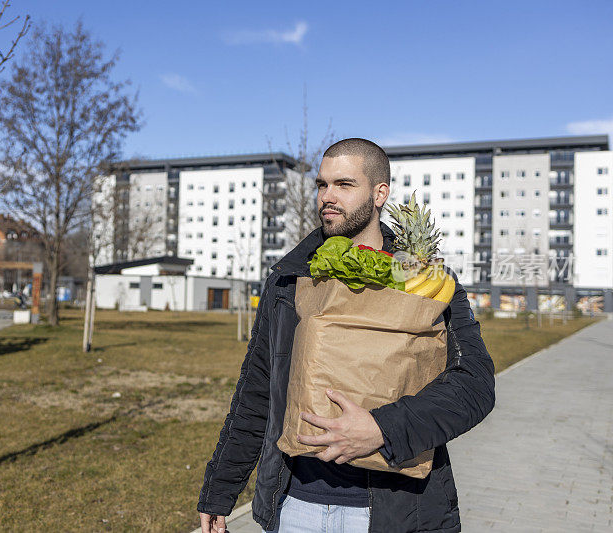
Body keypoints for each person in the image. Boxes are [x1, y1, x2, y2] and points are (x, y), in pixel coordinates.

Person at [197, 138, 495, 533]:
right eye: (322, 185)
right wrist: (221, 488)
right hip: (295, 506)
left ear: (379, 193)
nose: (327, 196)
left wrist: (383, 429)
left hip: (393, 511)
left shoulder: (427, 281)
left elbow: (475, 385)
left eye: (344, 185)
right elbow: (258, 388)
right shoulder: (290, 278)